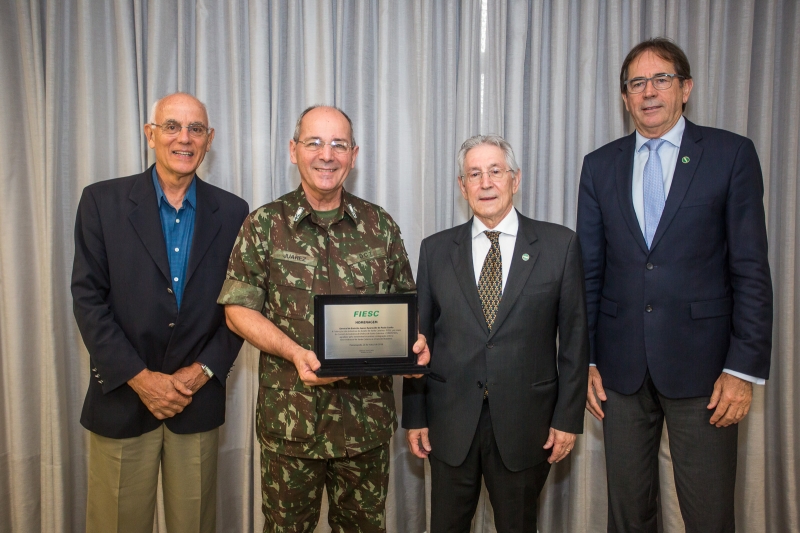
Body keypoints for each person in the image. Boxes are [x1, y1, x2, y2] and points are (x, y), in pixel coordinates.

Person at [577, 38, 773, 532]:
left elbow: (750, 268)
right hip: (620, 374)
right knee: (628, 515)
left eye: (661, 79)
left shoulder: (730, 154)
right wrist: (590, 360)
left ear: (685, 88)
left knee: (708, 515)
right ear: (625, 98)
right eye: (636, 83)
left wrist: (742, 369)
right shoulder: (599, 165)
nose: (649, 92)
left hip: (707, 372)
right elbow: (590, 271)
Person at [217, 105, 429, 533]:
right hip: (291, 427)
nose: (326, 155)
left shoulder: (380, 226)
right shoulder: (264, 225)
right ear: (293, 150)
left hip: (364, 427)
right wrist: (294, 352)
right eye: (314, 142)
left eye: (338, 144)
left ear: (354, 154)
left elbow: (407, 304)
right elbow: (237, 310)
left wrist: (415, 342)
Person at [72, 92, 249, 533]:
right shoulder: (101, 201)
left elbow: (242, 306)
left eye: (195, 129)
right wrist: (140, 377)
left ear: (209, 140)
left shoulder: (233, 212)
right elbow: (88, 299)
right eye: (172, 126)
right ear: (150, 134)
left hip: (196, 398)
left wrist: (202, 371)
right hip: (122, 396)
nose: (183, 138)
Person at [402, 134, 589, 532]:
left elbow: (574, 341)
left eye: (495, 171)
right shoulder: (435, 251)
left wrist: (568, 419)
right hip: (449, 425)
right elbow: (420, 342)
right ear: (462, 185)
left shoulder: (559, 245)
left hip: (527, 426)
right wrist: (415, 416)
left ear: (515, 179)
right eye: (474, 173)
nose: (485, 183)